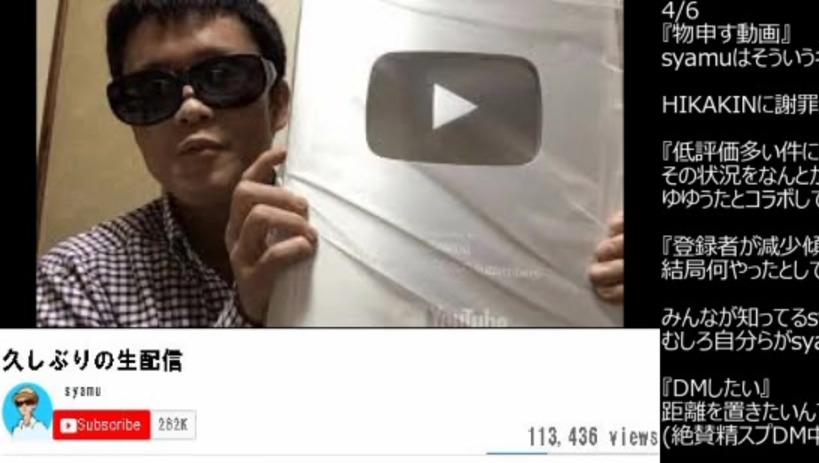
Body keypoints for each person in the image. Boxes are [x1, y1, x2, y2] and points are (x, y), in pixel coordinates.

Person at [36, 0, 624, 327]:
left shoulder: (396, 226)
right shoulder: (76, 279)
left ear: (280, 103)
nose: (189, 108)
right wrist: (248, 315)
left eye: (223, 76)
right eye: (149, 92)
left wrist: (603, 294)